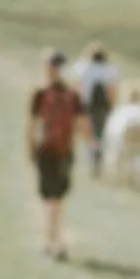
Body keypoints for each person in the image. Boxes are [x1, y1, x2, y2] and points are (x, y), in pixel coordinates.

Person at [27, 49, 94, 261]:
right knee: (55, 199)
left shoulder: (40, 94)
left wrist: (29, 148)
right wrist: (90, 143)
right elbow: (83, 124)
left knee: (52, 198)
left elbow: (32, 124)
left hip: (47, 150)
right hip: (63, 150)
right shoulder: (72, 95)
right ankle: (53, 238)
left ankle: (51, 239)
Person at [71, 41, 120, 179]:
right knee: (98, 135)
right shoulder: (109, 71)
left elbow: (76, 85)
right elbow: (112, 91)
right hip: (101, 109)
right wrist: (111, 107)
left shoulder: (83, 68)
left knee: (85, 134)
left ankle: (87, 160)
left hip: (84, 107)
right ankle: (96, 163)